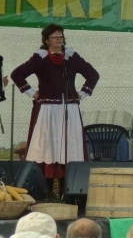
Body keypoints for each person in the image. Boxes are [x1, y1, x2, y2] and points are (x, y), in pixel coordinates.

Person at [11, 24, 99, 197]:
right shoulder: (40, 58)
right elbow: (17, 74)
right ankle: (46, 192)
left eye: (61, 36)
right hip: (48, 111)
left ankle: (68, 192)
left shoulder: (71, 57)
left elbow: (93, 75)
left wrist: (82, 94)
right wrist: (31, 92)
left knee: (69, 147)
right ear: (46, 40)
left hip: (69, 109)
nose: (59, 39)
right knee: (47, 147)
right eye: (55, 37)